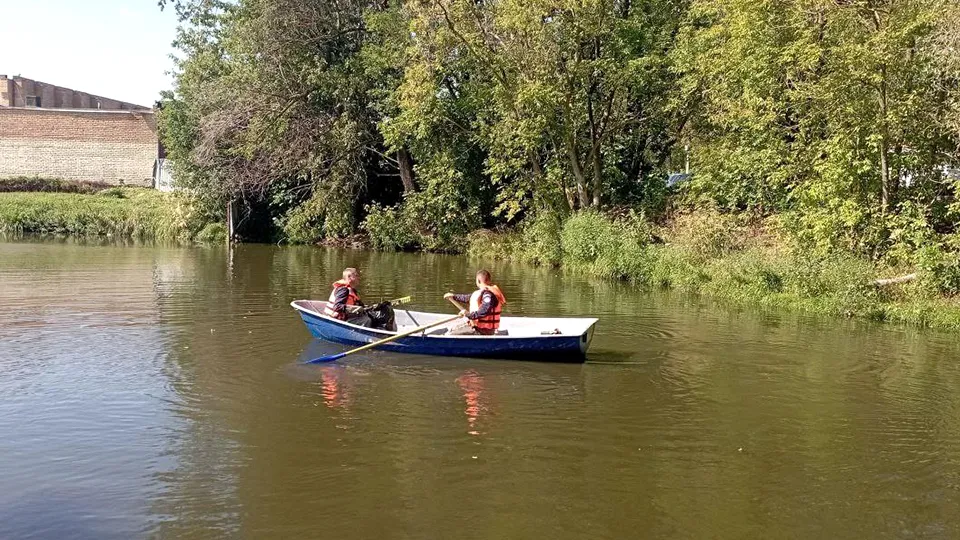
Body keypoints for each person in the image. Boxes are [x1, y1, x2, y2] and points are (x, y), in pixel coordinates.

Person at [324, 268, 396, 330]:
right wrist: (354, 309)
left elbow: (361, 306)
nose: (359, 278)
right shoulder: (343, 289)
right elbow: (337, 307)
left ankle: (381, 330)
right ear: (349, 277)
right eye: (356, 276)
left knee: (386, 310)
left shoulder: (352, 290)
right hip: (339, 320)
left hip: (349, 316)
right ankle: (369, 336)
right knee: (367, 320)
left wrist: (376, 306)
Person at [443, 269, 507, 336]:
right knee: (452, 329)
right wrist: (454, 296)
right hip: (477, 327)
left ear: (478, 281)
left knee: (450, 334)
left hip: (483, 330)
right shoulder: (483, 293)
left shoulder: (488, 295)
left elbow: (484, 311)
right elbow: (468, 298)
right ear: (489, 280)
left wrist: (468, 314)